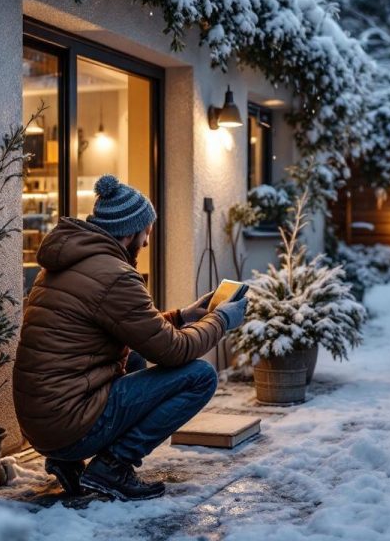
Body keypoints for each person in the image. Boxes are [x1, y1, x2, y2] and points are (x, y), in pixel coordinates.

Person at [13, 175, 248, 501]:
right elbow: (174, 351)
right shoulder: (115, 276)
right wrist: (221, 319)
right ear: (128, 233)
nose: (147, 242)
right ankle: (111, 467)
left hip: (44, 423)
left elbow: (130, 328)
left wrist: (182, 316)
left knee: (135, 356)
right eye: (146, 232)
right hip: (69, 425)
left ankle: (69, 461)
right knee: (200, 376)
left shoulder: (67, 265)